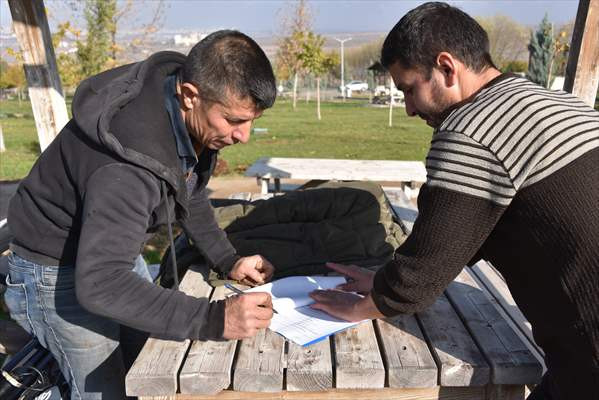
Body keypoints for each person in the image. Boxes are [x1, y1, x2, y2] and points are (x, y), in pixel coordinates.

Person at [309, 3, 599, 399]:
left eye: (410, 89)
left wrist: (364, 304)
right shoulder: (553, 103)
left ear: (447, 67)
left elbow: (420, 277)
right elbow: (463, 234)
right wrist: (385, 278)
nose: (409, 108)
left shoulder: (471, 130)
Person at [5, 30, 277, 399]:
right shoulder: (128, 166)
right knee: (106, 390)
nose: (243, 136)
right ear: (190, 95)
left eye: (250, 121)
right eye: (234, 121)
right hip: (54, 272)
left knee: (141, 363)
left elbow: (188, 192)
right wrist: (215, 318)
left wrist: (228, 259)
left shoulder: (188, 113)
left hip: (109, 254)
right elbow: (101, 284)